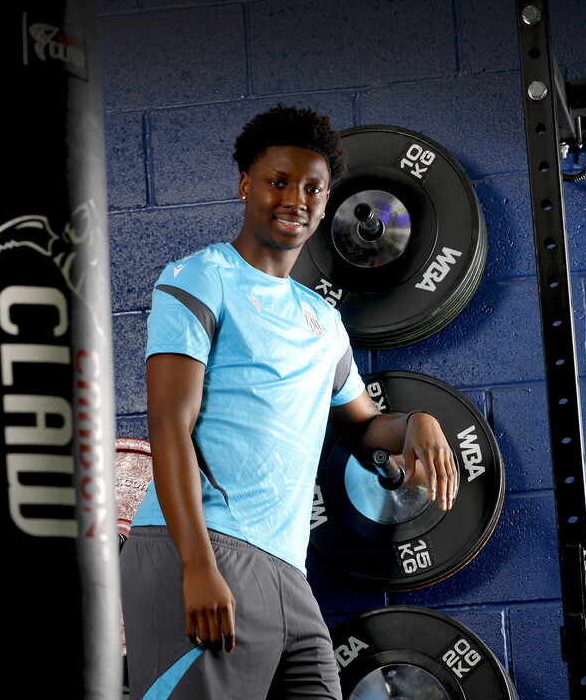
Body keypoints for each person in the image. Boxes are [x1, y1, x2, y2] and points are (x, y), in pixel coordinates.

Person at [119, 104, 458, 700]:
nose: (294, 199)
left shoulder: (324, 321)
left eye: (312, 187)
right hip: (205, 547)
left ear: (327, 202)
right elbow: (169, 427)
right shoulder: (200, 278)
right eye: (278, 182)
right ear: (246, 184)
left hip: (287, 572)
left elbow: (363, 429)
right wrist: (197, 566)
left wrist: (417, 424)